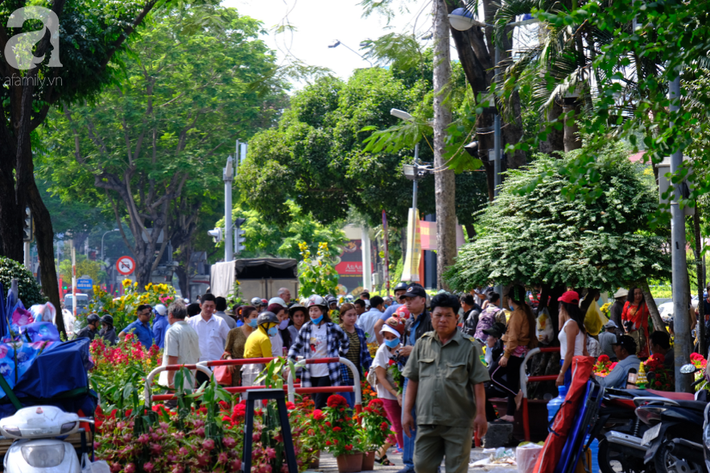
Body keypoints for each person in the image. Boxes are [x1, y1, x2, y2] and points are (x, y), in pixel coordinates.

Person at [402, 293, 489, 473]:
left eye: (448, 315)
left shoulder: (471, 346)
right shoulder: (422, 343)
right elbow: (412, 380)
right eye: (438, 315)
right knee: (422, 466)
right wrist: (406, 413)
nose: (442, 320)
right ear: (431, 316)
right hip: (427, 420)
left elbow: (478, 383)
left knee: (456, 469)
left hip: (458, 421)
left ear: (457, 318)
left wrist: (481, 415)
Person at [288, 295, 349, 409]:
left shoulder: (332, 327)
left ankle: (318, 425)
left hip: (327, 371)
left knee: (319, 405)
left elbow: (345, 341)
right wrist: (289, 362)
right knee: (319, 403)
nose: (313, 313)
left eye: (316, 310)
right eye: (310, 310)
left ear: (323, 311)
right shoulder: (306, 327)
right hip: (310, 372)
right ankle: (325, 425)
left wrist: (339, 355)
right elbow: (296, 346)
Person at [397, 284, 433, 473]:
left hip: (427, 377)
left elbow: (438, 348)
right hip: (409, 376)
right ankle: (410, 463)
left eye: (412, 299)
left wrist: (414, 350)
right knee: (407, 417)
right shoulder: (409, 322)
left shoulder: (431, 321)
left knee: (426, 421)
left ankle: (425, 463)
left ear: (423, 301)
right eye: (406, 300)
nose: (408, 303)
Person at [494, 285, 537, 423]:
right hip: (521, 353)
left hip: (513, 352)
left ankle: (515, 394)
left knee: (492, 375)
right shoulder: (527, 311)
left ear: (511, 299)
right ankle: (510, 414)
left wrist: (506, 355)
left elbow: (513, 337)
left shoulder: (517, 314)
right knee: (512, 380)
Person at [372, 324, 405, 466]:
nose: (390, 340)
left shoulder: (404, 348)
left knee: (401, 424)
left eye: (393, 337)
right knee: (398, 425)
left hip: (403, 392)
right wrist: (396, 393)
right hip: (388, 393)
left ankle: (379, 454)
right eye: (387, 337)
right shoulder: (382, 351)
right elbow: (381, 377)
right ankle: (407, 456)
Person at [187, 293, 230, 386]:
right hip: (199, 366)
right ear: (200, 305)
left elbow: (229, 339)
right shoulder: (191, 322)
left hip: (217, 366)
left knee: (218, 396)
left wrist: (228, 355)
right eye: (206, 306)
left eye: (211, 306)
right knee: (199, 395)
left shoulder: (220, 321)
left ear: (215, 307)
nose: (209, 309)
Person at [159, 301, 201, 389]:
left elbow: (173, 357)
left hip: (176, 382)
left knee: (171, 403)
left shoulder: (172, 331)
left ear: (170, 315)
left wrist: (170, 381)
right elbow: (197, 357)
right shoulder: (192, 330)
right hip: (189, 381)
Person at [338, 302, 372, 407]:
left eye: (355, 315)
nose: (353, 318)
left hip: (355, 375)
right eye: (349, 315)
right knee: (346, 406)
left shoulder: (360, 332)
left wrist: (371, 371)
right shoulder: (337, 331)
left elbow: (365, 355)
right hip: (341, 376)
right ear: (342, 316)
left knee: (356, 405)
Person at [556, 291, 588, 388]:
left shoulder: (571, 324)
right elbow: (584, 350)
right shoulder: (576, 323)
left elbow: (570, 352)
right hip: (576, 363)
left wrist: (561, 374)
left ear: (563, 306)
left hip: (570, 363)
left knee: (568, 395)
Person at [223, 306, 259, 385]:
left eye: (257, 316)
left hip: (253, 370)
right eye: (254, 316)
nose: (256, 319)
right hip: (236, 370)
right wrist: (229, 360)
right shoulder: (233, 332)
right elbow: (227, 351)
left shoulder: (258, 333)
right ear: (245, 318)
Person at [242, 311, 279, 387]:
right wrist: (276, 378)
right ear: (266, 325)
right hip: (257, 369)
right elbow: (268, 360)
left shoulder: (253, 334)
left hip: (247, 368)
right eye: (273, 326)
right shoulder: (264, 338)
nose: (275, 329)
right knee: (260, 395)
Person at [482, 322, 509, 421]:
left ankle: (491, 421)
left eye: (489, 336)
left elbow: (490, 374)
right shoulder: (491, 350)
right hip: (493, 385)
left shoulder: (500, 353)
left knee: (480, 393)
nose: (487, 339)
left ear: (496, 339)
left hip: (501, 388)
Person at [622, 286, 650, 358]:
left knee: (643, 358)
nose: (638, 296)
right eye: (635, 294)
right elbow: (623, 317)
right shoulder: (627, 304)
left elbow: (653, 317)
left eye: (640, 293)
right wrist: (624, 326)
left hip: (642, 334)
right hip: (630, 334)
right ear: (632, 294)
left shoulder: (646, 304)